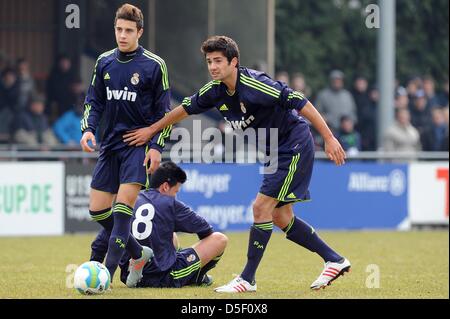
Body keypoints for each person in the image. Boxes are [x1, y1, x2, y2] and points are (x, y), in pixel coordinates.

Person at [123, 36, 351, 292]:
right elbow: (184, 109)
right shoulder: (215, 91)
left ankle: (247, 278)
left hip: (292, 144)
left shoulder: (255, 84)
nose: (212, 66)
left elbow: (300, 101)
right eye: (209, 61)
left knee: (260, 207)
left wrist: (329, 138)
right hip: (275, 151)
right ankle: (334, 259)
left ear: (234, 62)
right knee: (279, 215)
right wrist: (152, 130)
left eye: (218, 61)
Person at [79, 3, 172, 283]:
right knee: (97, 210)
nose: (122, 35)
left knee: (122, 212)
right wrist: (88, 129)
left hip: (138, 146)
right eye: (119, 29)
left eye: (128, 30)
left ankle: (105, 274)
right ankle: (137, 252)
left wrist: (156, 146)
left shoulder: (155, 65)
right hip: (109, 145)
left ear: (139, 32)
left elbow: (164, 113)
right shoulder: (104, 62)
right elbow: (93, 100)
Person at [90, 162, 228, 288]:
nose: (175, 196)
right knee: (219, 239)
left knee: (172, 236)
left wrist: (94, 269)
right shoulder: (171, 204)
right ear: (165, 186)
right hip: (163, 277)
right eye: (176, 192)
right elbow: (205, 230)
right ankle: (197, 277)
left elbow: (100, 242)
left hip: (128, 276)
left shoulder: (129, 201)